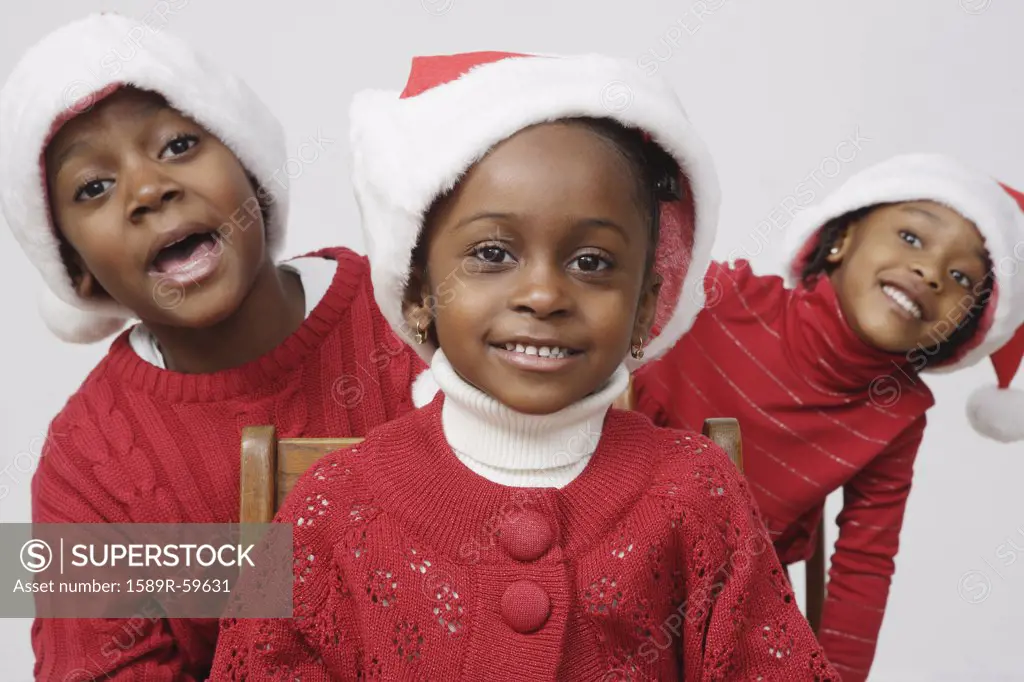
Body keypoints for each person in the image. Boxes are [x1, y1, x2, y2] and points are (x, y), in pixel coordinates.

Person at [208, 51, 839, 681]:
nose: (543, 294)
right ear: (418, 292)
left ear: (646, 305)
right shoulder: (335, 505)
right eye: (492, 253)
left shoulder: (696, 493)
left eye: (592, 262)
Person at [0, 14, 424, 680]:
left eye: (177, 146)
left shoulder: (421, 307)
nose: (148, 189)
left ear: (252, 173)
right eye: (93, 188)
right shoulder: (85, 466)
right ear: (76, 266)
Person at [632, 153, 1024, 681]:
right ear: (838, 241)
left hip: (736, 606)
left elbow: (865, 563)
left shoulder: (897, 416)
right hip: (609, 559)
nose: (931, 273)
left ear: (959, 330)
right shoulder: (717, 297)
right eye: (911, 238)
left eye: (960, 277)